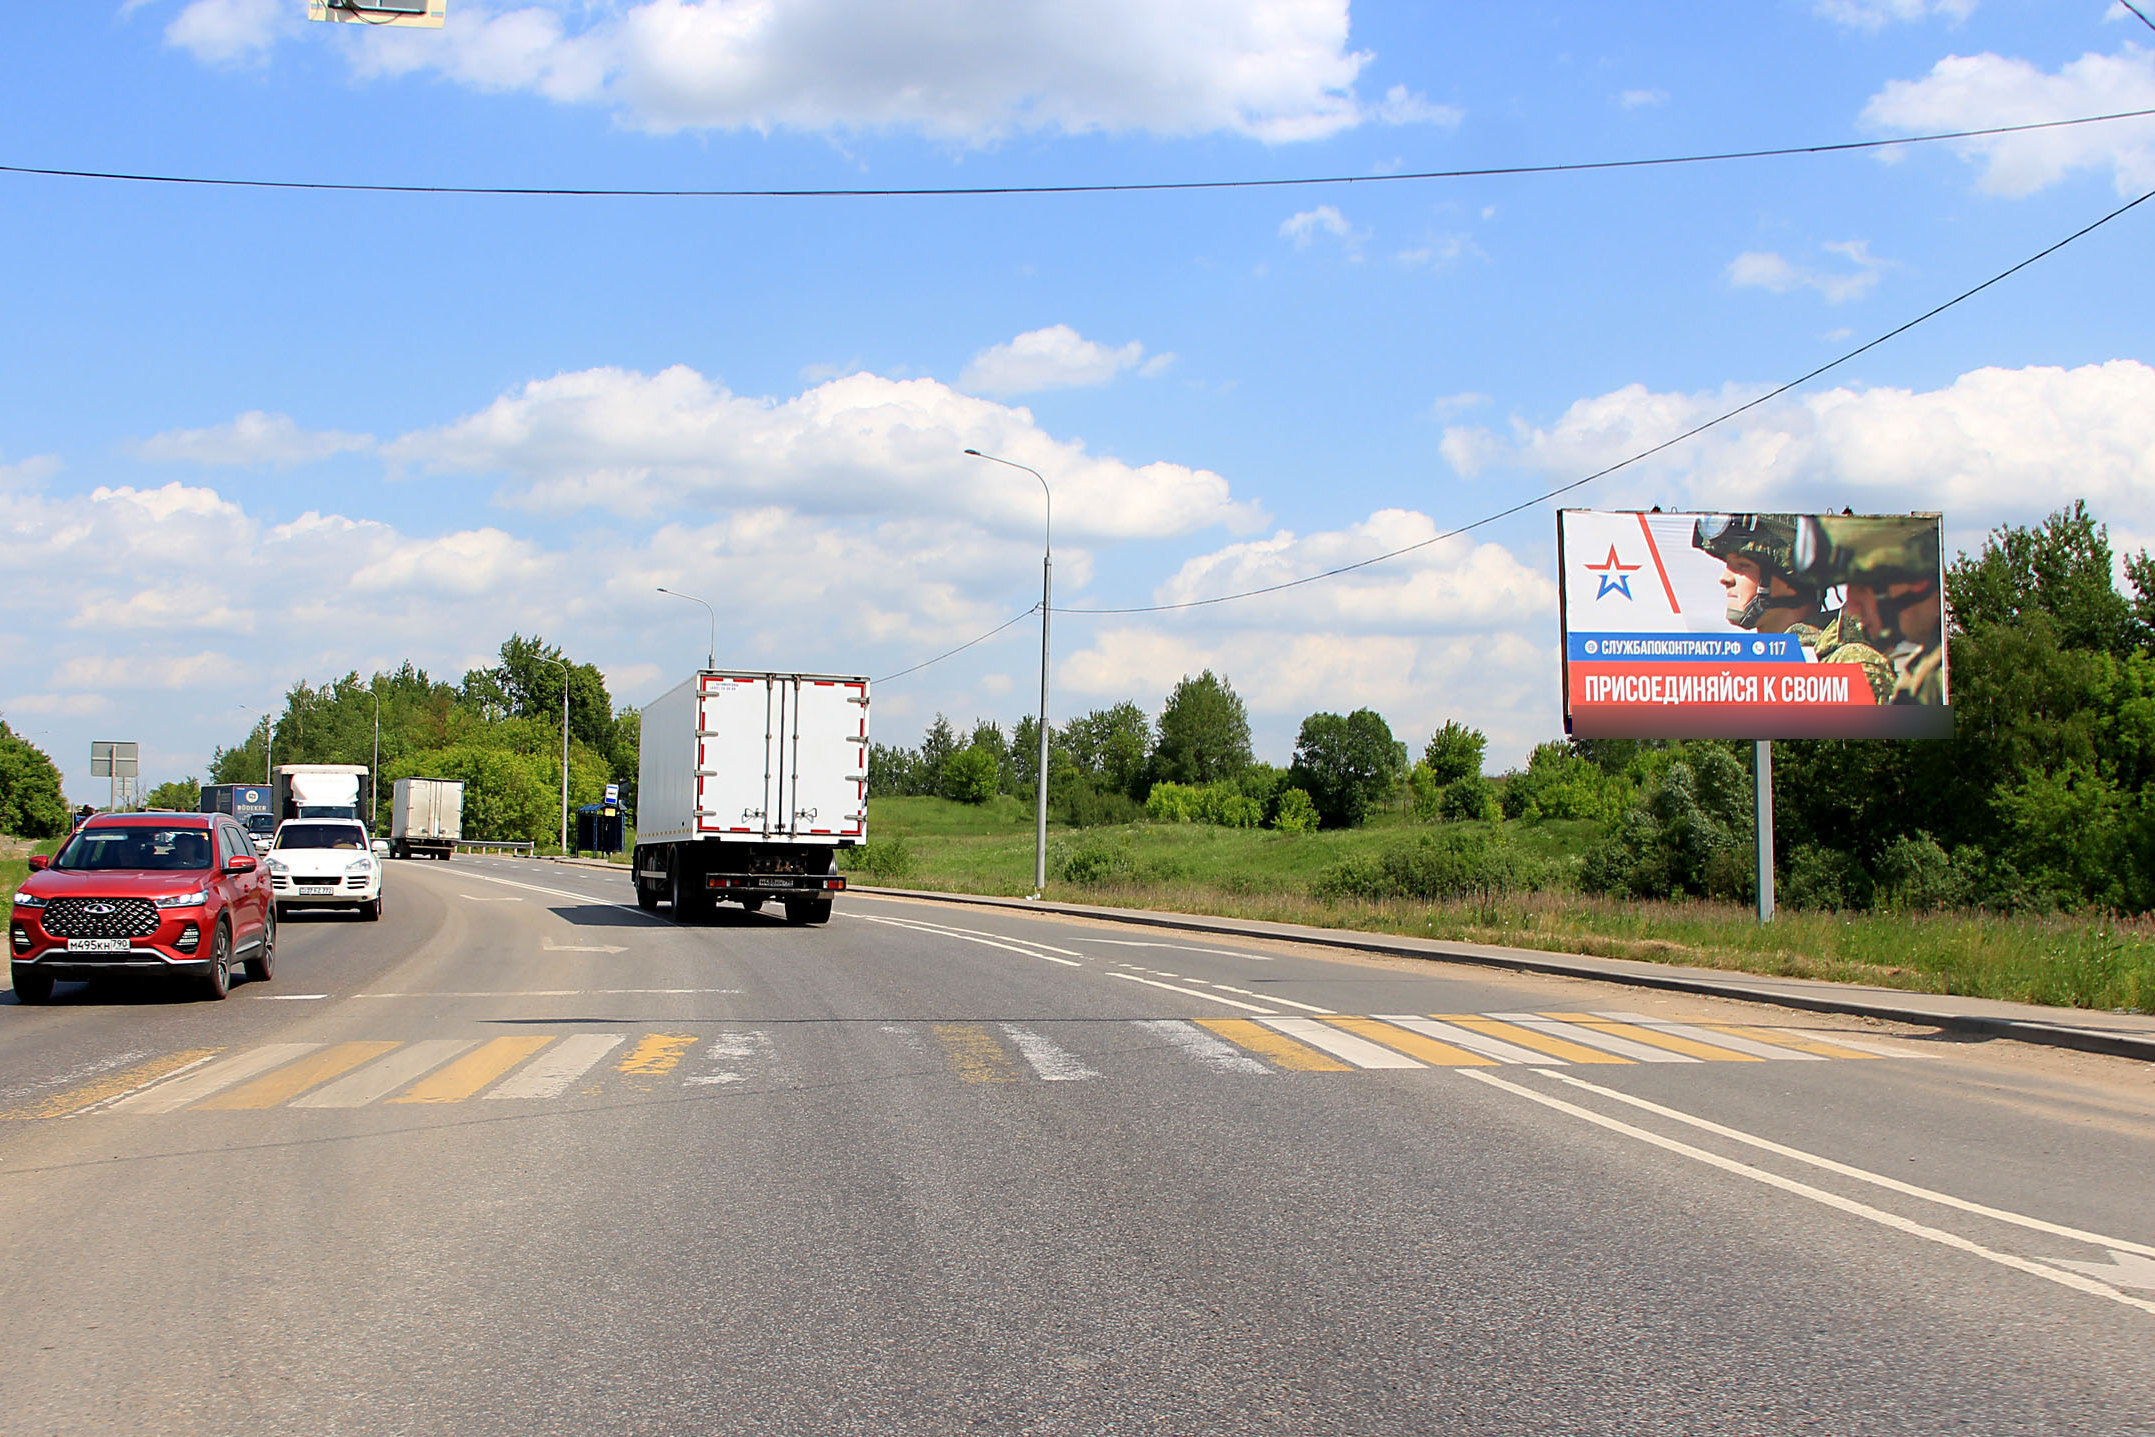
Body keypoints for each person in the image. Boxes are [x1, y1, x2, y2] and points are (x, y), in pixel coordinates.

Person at [1693, 514, 1894, 702]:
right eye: (1728, 565)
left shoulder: (1849, 665)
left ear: (1790, 581)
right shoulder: (1746, 670)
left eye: (1743, 565)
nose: (1725, 578)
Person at [1794, 516, 1946, 706]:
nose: (1852, 609)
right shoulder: (1921, 673)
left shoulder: (1943, 674)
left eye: (1864, 588)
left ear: (1915, 581)